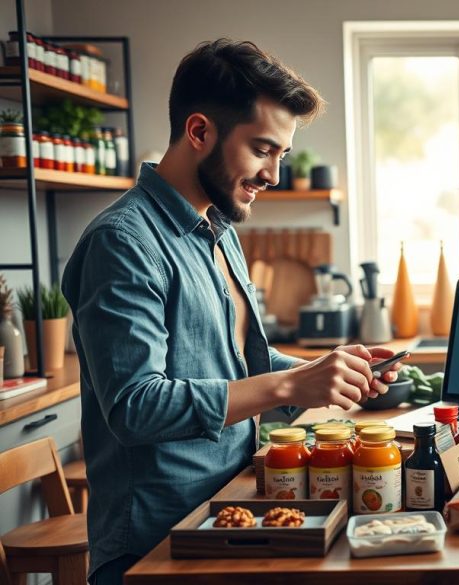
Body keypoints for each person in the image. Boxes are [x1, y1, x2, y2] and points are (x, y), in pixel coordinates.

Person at [61, 39, 403, 585]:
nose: (273, 173)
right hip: (155, 547)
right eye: (262, 149)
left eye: (282, 156)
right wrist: (291, 388)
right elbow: (134, 407)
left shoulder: (218, 230)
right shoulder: (122, 243)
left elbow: (235, 364)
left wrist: (327, 371)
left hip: (226, 510)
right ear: (199, 132)